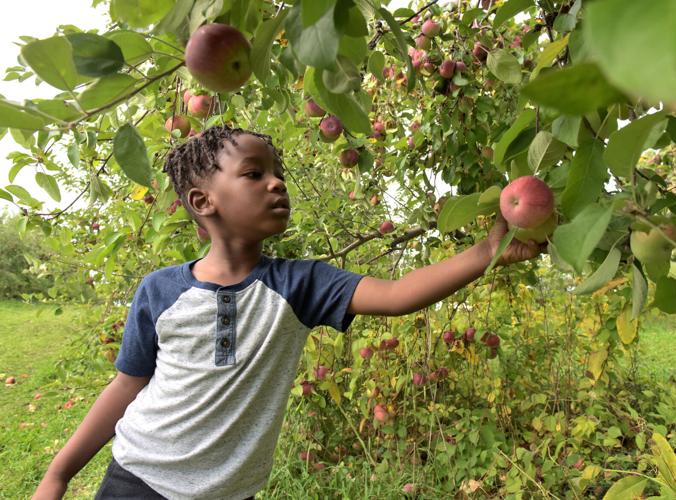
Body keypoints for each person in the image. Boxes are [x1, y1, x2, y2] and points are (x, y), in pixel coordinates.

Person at [32, 125, 542, 500]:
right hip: (139, 478)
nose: (277, 183)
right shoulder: (160, 290)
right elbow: (127, 385)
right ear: (201, 201)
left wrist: (485, 253)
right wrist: (59, 474)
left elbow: (398, 294)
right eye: (255, 174)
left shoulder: (299, 284)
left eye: (278, 173)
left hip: (231, 493)